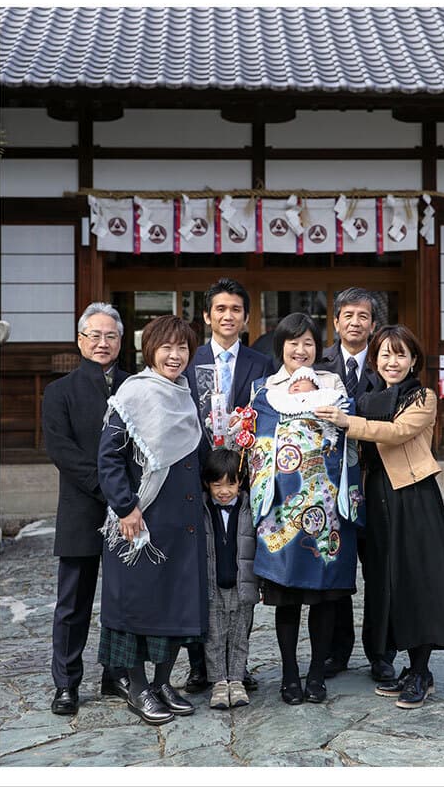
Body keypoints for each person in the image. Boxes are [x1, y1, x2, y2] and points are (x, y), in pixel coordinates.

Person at [314, 325, 444, 710]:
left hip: (413, 497)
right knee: (387, 583)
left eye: (400, 354)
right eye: (384, 354)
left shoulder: (422, 397)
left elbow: (396, 433)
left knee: (417, 581)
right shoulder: (367, 398)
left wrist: (348, 423)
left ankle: (421, 671)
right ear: (375, 358)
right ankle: (400, 665)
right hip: (376, 498)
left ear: (413, 360)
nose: (392, 361)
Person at [97, 315, 207, 726]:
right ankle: (138, 687)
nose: (175, 356)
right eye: (167, 347)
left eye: (183, 348)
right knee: (140, 608)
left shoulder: (184, 393)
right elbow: (108, 458)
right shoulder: (133, 393)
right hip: (141, 521)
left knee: (177, 606)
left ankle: (163, 682)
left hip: (183, 523)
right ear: (151, 350)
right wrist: (125, 508)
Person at [248, 312, 361, 706]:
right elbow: (256, 448)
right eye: (293, 343)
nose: (301, 350)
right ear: (281, 347)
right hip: (282, 512)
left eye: (309, 343)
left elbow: (349, 443)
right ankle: (289, 674)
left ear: (318, 347)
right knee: (288, 598)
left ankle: (317, 673)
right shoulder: (263, 390)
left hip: (328, 511)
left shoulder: (336, 388)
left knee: (325, 597)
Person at [183, 277, 274, 693]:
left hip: (242, 481)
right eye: (220, 309)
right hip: (197, 479)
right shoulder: (189, 360)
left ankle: (239, 664)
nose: (228, 316)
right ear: (207, 316)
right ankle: (200, 664)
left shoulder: (261, 364)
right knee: (198, 571)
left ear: (246, 317)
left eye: (235, 309)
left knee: (239, 573)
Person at [41, 302, 130, 716]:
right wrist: (109, 491)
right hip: (82, 510)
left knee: (122, 598)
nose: (102, 342)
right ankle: (67, 683)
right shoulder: (59, 392)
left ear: (121, 341)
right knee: (73, 603)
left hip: (130, 512)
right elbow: (63, 452)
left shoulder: (134, 386)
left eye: (110, 335)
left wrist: (127, 498)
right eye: (94, 335)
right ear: (80, 340)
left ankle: (118, 672)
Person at [317, 287, 396, 682]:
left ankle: (381, 653)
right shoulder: (317, 364)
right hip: (330, 487)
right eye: (347, 315)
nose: (354, 322)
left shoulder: (387, 365)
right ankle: (337, 650)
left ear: (373, 324)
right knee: (336, 569)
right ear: (335, 322)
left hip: (375, 483)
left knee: (379, 571)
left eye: (362, 316)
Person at [201, 448, 260, 710]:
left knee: (239, 635)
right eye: (217, 485)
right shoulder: (202, 510)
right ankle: (218, 683)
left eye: (231, 484)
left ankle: (236, 680)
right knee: (214, 636)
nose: (224, 491)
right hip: (212, 584)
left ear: (241, 482)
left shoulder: (251, 508)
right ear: (208, 484)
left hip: (243, 583)